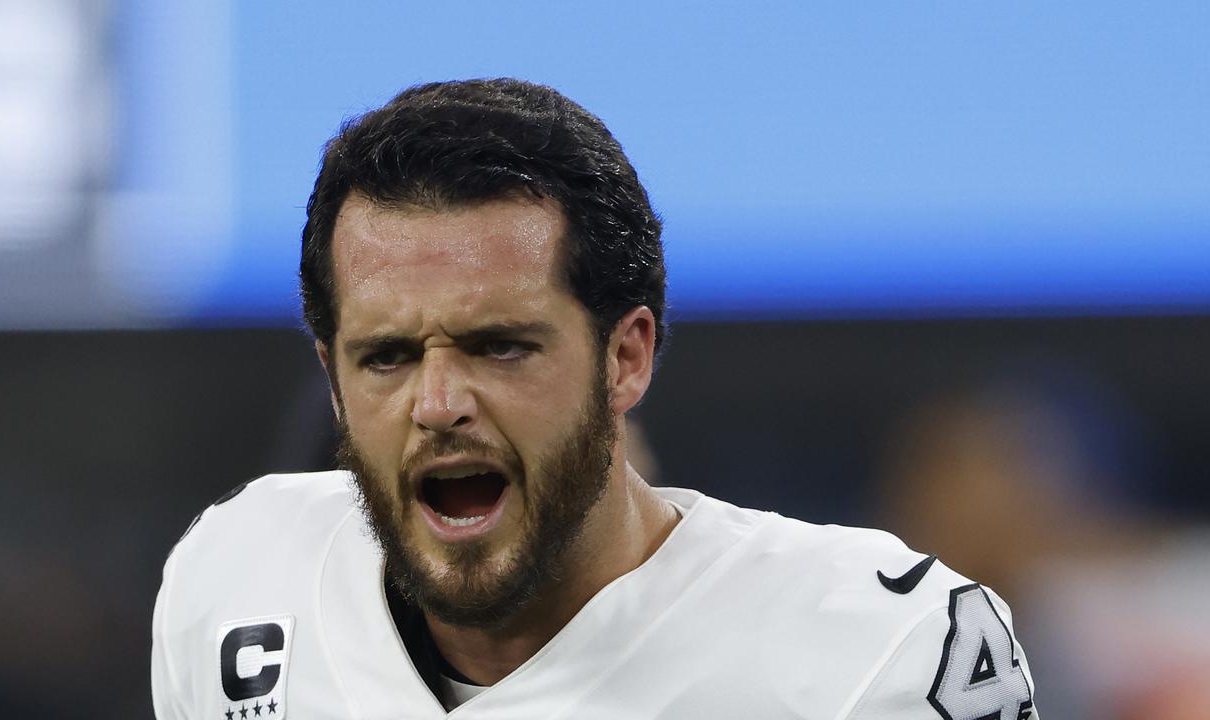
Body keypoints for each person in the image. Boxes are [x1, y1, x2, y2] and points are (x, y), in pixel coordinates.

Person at [151, 78, 1038, 719]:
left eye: (499, 345)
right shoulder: (238, 577)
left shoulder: (872, 652)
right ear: (331, 381)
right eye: (385, 356)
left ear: (626, 357)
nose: (438, 402)